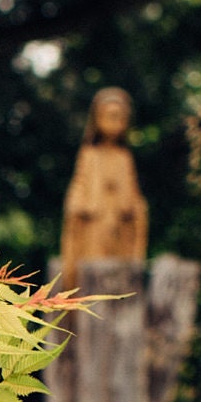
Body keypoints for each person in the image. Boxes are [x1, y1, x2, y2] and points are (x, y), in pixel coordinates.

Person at [59, 86, 148, 272]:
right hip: (94, 222)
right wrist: (78, 203)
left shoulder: (124, 157)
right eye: (111, 116)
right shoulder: (89, 154)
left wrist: (135, 206)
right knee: (92, 269)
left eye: (121, 117)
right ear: (97, 118)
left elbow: (132, 192)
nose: (116, 122)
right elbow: (79, 184)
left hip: (119, 223)